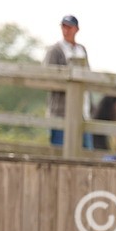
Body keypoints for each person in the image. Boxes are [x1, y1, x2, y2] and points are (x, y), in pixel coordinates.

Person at [43, 15, 92, 148]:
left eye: (69, 27)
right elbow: (48, 78)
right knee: (59, 151)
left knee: (86, 152)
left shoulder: (81, 50)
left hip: (83, 112)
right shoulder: (55, 50)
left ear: (76, 29)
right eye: (63, 27)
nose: (66, 30)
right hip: (60, 111)